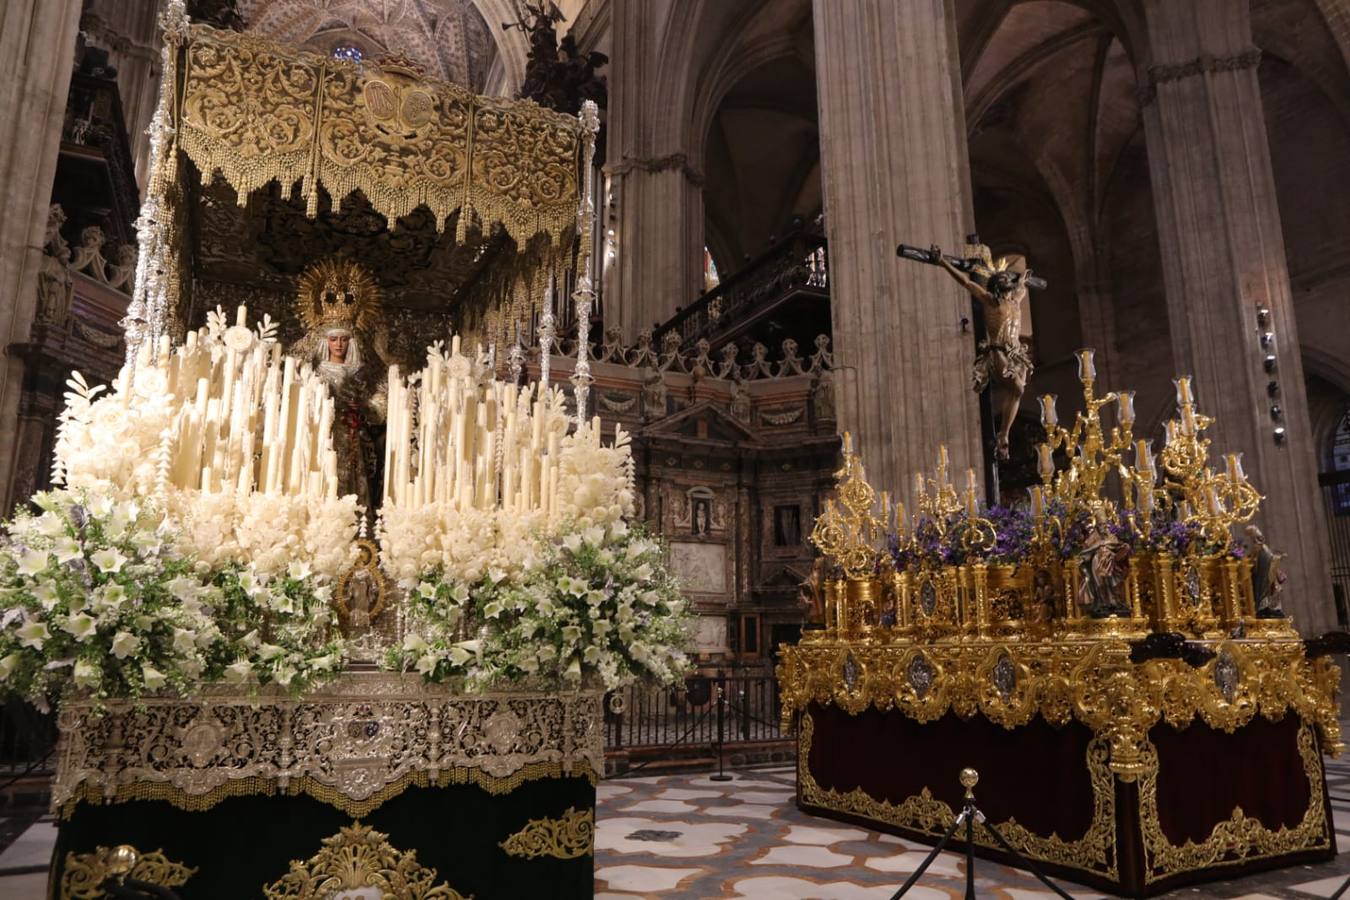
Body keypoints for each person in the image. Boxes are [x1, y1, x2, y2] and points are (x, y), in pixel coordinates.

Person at [289, 258, 389, 514]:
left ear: (351, 343)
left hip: (354, 436)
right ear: (326, 342)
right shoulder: (315, 371)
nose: (339, 345)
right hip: (325, 432)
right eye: (334, 339)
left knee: (355, 480)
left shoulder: (360, 373)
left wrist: (365, 406)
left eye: (344, 340)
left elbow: (379, 401)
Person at [930, 246, 1034, 460]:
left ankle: (1003, 435)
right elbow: (966, 282)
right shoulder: (990, 300)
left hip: (1017, 354)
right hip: (998, 351)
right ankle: (1003, 435)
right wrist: (943, 262)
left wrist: (1022, 278)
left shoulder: (1016, 300)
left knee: (1017, 392)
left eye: (1007, 277)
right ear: (995, 284)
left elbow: (1022, 286)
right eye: (1001, 277)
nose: (1005, 278)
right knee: (1018, 387)